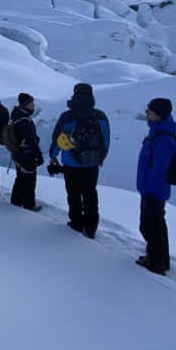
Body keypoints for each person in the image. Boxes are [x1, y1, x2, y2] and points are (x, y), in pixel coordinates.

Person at [48, 82, 110, 238]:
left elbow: (57, 139)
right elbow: (106, 140)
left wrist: (53, 156)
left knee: (74, 194)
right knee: (90, 194)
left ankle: (76, 223)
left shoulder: (67, 116)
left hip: (71, 163)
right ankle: (91, 227)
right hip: (92, 163)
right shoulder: (100, 116)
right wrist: (100, 157)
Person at [135, 97, 176, 274]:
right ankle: (160, 259)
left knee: (150, 226)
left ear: (158, 114)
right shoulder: (159, 132)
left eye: (150, 110)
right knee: (156, 224)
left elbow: (159, 169)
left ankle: (156, 262)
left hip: (153, 190)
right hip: (154, 190)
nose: (146, 112)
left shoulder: (162, 139)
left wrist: (149, 189)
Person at [8, 93, 44, 211]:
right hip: (26, 154)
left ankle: (16, 200)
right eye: (31, 103)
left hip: (17, 153)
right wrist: (38, 155)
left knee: (21, 177)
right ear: (26, 104)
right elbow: (31, 140)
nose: (33, 106)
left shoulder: (16, 116)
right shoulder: (24, 120)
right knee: (29, 179)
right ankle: (29, 205)